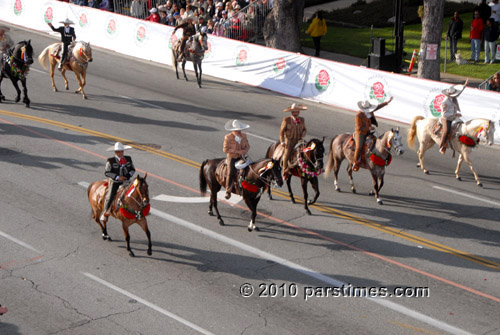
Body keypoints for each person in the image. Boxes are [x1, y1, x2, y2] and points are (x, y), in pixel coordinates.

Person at [353, 97, 393, 171]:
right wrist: (369, 128)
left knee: (376, 142)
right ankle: (355, 162)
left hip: (368, 132)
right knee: (359, 146)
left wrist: (386, 102)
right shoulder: (359, 115)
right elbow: (359, 127)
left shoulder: (369, 111)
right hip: (360, 133)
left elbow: (377, 107)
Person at [100, 142, 136, 223]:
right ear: (115, 152)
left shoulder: (128, 159)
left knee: (137, 191)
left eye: (122, 151)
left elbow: (133, 169)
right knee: (110, 195)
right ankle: (105, 212)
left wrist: (127, 176)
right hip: (115, 182)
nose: (120, 153)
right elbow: (107, 172)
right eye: (118, 152)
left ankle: (139, 208)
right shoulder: (110, 161)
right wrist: (117, 177)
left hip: (126, 181)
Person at [439, 79, 469, 155]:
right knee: (446, 130)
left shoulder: (453, 97)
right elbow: (444, 113)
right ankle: (442, 146)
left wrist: (465, 85)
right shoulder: (445, 102)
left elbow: (459, 93)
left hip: (452, 116)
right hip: (446, 118)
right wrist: (455, 114)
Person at [223, 119, 250, 199]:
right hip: (232, 157)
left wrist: (245, 150)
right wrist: (238, 151)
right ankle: (228, 191)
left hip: (241, 157)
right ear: (233, 130)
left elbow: (248, 146)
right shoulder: (228, 137)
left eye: (240, 129)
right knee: (230, 172)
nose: (239, 131)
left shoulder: (244, 136)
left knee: (249, 169)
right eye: (237, 130)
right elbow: (225, 149)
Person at [280, 103, 307, 179]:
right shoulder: (286, 120)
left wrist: (304, 133)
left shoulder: (302, 120)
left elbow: (305, 129)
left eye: (297, 112)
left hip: (299, 140)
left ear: (299, 112)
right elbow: (281, 132)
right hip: (289, 141)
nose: (295, 113)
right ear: (291, 112)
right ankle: (284, 171)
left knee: (307, 151)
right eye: (294, 112)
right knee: (287, 154)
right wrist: (282, 141)